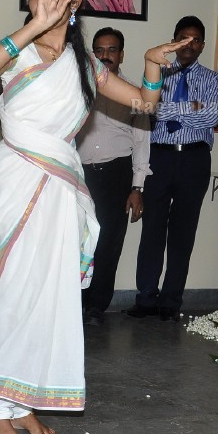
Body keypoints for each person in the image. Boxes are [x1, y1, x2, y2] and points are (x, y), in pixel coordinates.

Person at [0, 0, 189, 434]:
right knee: (14, 288)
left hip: (61, 184)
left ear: (75, 3)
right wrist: (33, 27)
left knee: (49, 292)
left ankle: (22, 402)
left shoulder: (86, 66)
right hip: (18, 176)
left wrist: (151, 64)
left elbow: (145, 105)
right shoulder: (18, 47)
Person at [127, 15, 218, 322]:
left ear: (202, 45)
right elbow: (144, 108)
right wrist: (192, 107)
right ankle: (145, 298)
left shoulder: (211, 79)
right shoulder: (158, 73)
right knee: (152, 230)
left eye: (195, 40)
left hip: (194, 159)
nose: (189, 45)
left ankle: (171, 301)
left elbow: (211, 119)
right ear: (173, 40)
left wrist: (170, 110)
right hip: (160, 157)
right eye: (183, 38)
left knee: (183, 233)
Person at [77, 27, 150, 326]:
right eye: (99, 50)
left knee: (107, 242)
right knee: (76, 241)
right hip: (79, 174)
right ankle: (74, 303)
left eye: (111, 50)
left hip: (116, 174)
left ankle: (96, 306)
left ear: (121, 54)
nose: (105, 56)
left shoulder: (134, 94)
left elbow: (142, 143)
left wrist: (137, 188)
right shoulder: (77, 87)